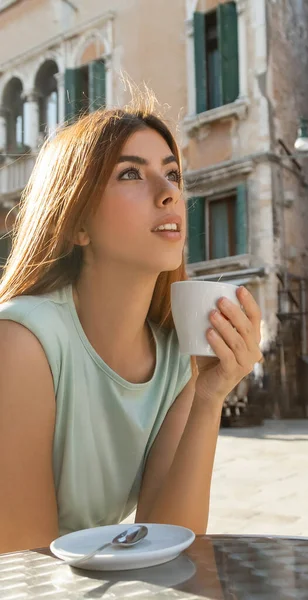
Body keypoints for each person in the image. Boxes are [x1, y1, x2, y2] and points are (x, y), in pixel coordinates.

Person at [0, 95, 262, 554]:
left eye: (173, 173)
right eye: (130, 173)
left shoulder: (179, 361)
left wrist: (209, 395)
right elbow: (25, 568)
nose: (169, 192)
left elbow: (167, 542)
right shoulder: (21, 342)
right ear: (78, 223)